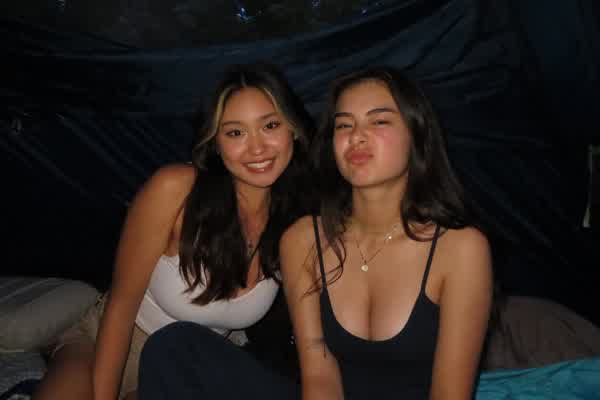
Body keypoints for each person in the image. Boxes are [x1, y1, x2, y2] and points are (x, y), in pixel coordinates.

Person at [136, 66, 493, 400]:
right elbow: (319, 376)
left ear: (417, 135)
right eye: (344, 125)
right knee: (174, 346)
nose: (357, 136)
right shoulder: (303, 240)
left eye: (379, 121)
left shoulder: (460, 249)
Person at [33, 62, 315, 400]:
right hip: (108, 344)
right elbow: (121, 306)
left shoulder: (297, 223)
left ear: (293, 129)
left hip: (188, 366)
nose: (257, 148)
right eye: (235, 133)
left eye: (270, 125)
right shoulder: (177, 189)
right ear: (215, 143)